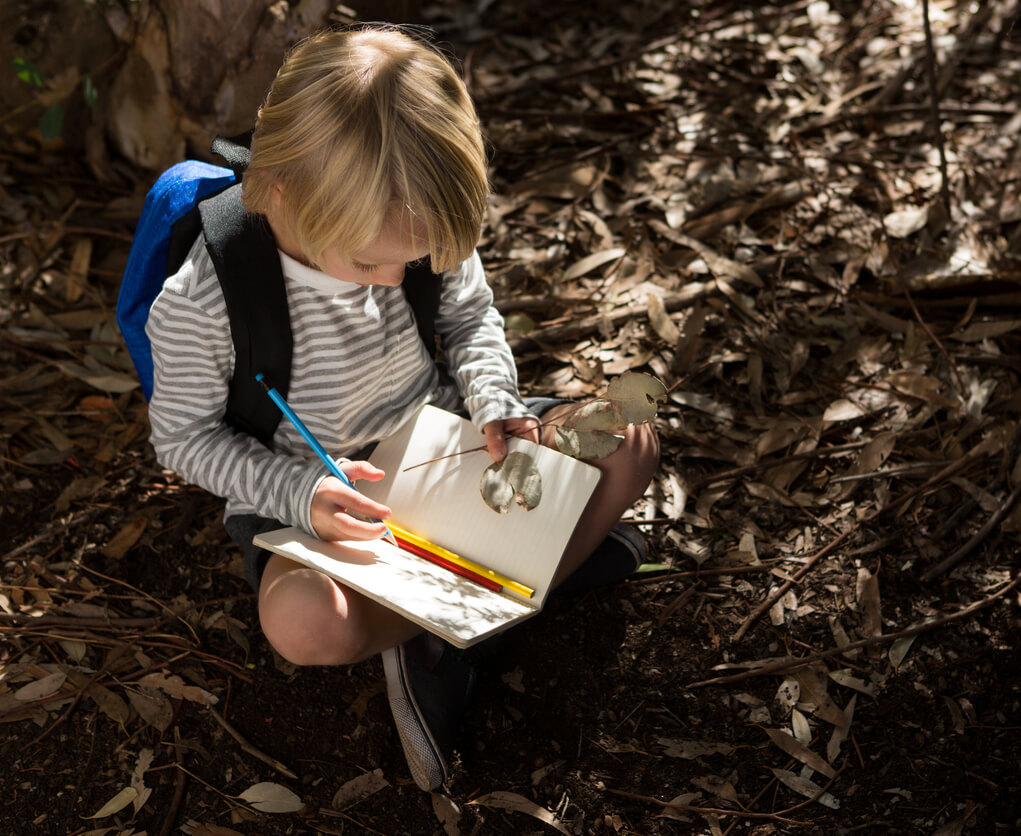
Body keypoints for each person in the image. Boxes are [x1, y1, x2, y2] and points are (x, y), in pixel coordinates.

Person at [143, 24, 658, 792]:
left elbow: (471, 319)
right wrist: (303, 496)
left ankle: (454, 617)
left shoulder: (406, 213)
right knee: (302, 625)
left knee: (628, 441)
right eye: (368, 263)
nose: (391, 282)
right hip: (321, 501)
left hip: (444, 447)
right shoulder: (206, 295)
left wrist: (495, 405)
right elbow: (182, 439)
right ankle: (506, 594)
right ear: (282, 190)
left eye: (411, 263)